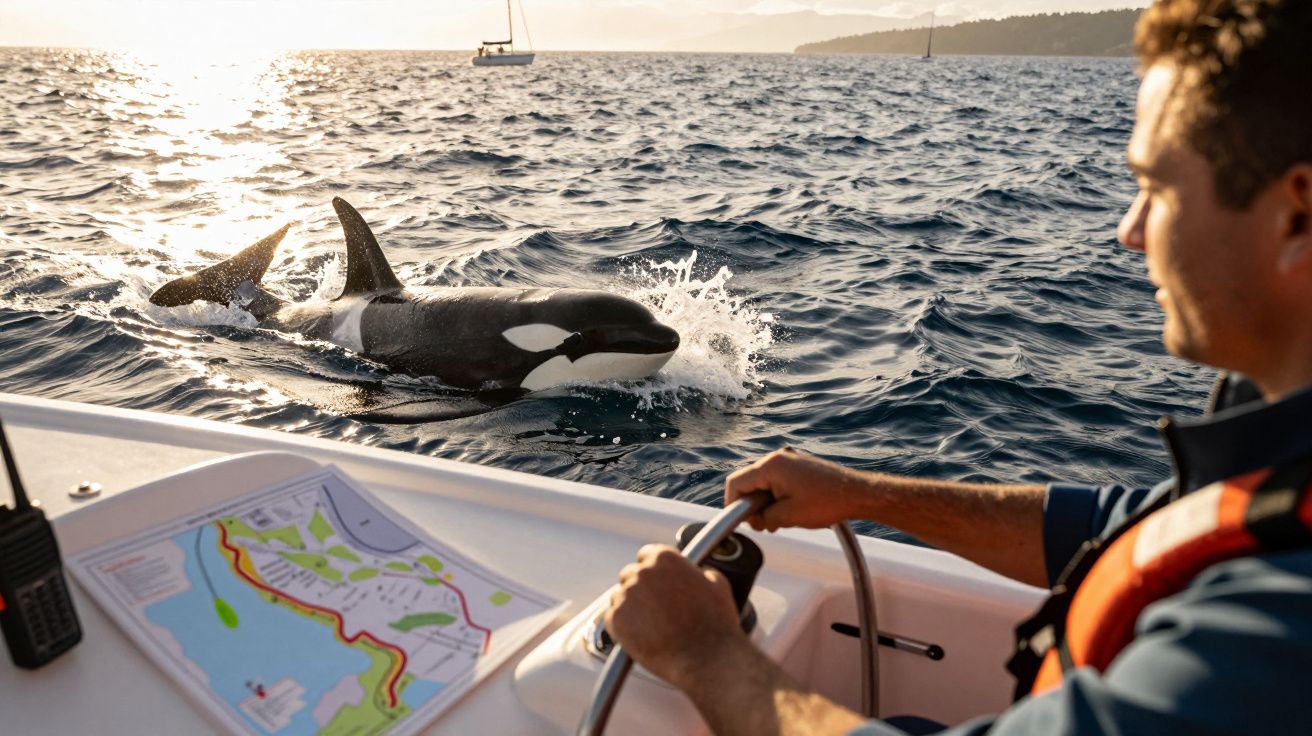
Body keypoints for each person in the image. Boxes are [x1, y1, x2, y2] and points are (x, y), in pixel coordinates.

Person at [603, 0, 1312, 733]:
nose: (1128, 233)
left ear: (1296, 213)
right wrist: (863, 493)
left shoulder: (1277, 623)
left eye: (1157, 189)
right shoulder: (1278, 448)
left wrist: (703, 651)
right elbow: (1131, 524)